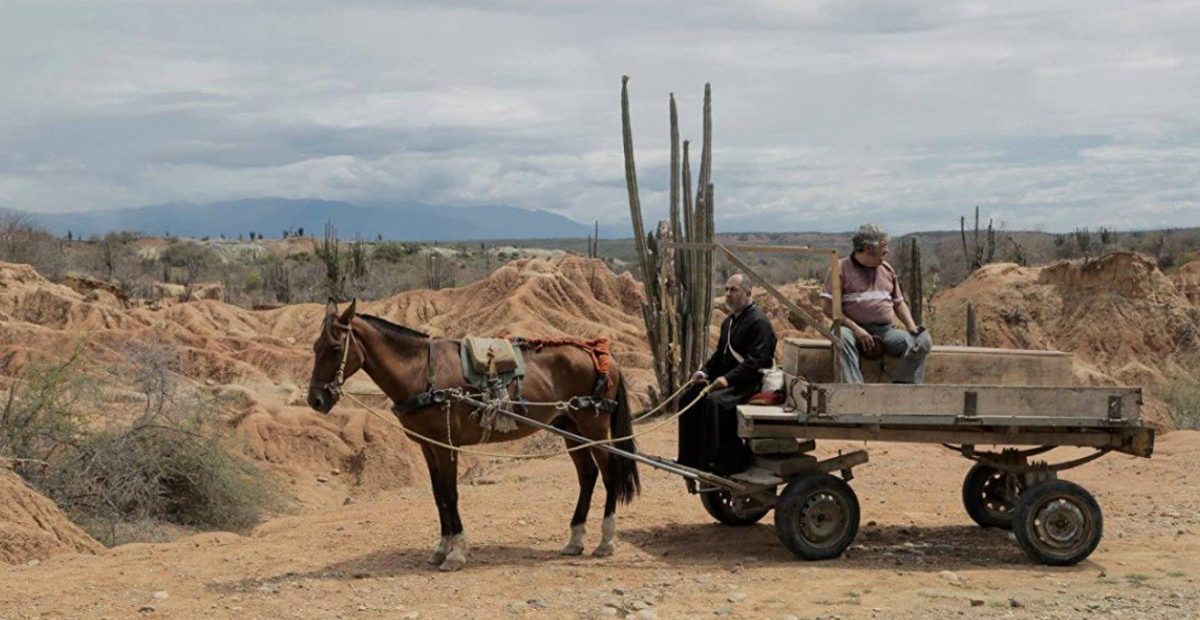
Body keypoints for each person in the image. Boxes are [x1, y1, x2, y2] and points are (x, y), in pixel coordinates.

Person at [677, 274, 777, 475]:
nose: (729, 294)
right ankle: (691, 459)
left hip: (748, 383)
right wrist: (703, 372)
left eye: (734, 290)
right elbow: (719, 355)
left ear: (748, 293)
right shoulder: (729, 322)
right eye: (727, 290)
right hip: (728, 381)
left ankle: (722, 462)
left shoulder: (760, 323)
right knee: (688, 398)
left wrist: (728, 378)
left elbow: (757, 362)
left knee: (715, 403)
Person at [820, 224, 931, 384]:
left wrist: (913, 330)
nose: (887, 251)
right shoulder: (840, 269)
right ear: (867, 247)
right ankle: (856, 393)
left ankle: (904, 390)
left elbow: (899, 304)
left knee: (921, 342)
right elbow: (827, 307)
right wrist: (857, 329)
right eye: (883, 246)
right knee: (841, 336)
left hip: (885, 331)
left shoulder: (887, 269)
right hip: (851, 329)